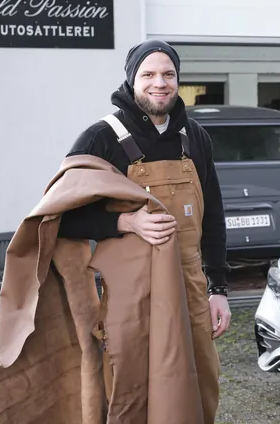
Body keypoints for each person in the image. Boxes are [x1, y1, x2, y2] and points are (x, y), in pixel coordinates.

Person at [58, 38, 231, 422]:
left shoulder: (195, 138)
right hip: (130, 293)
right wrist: (125, 221)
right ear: (132, 79)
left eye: (168, 74)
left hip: (189, 288)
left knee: (198, 380)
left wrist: (218, 289)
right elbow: (61, 216)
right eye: (148, 74)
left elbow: (214, 217)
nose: (160, 83)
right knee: (131, 385)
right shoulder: (100, 138)